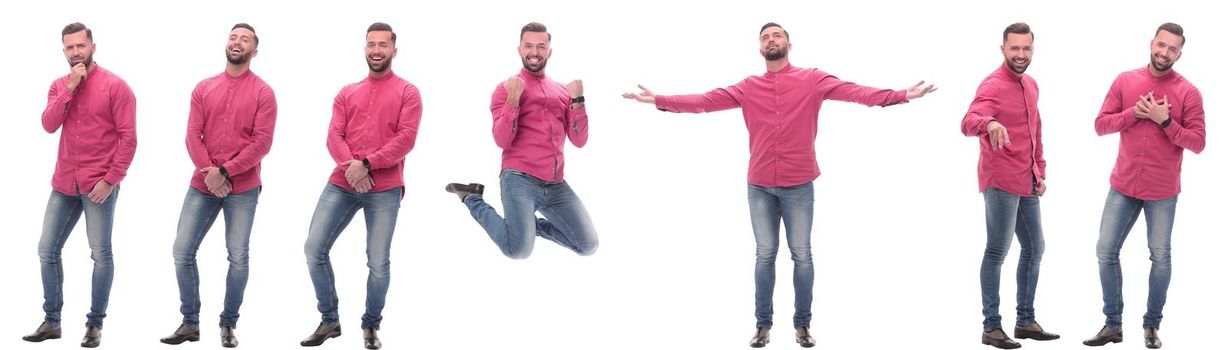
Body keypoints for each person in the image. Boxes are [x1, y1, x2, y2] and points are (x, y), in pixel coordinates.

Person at [623, 22, 935, 348]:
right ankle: (763, 326)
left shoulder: (813, 79)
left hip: (799, 185)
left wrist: (900, 96)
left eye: (777, 35)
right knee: (764, 255)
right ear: (760, 48)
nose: (771, 40)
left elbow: (857, 92)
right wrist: (659, 98)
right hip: (759, 186)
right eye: (765, 37)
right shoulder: (748, 87)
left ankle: (802, 326)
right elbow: (705, 101)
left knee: (802, 255)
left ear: (789, 43)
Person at [1083, 22, 1205, 350]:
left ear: (1180, 53)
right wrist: (1133, 114)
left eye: (1173, 49)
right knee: (1105, 251)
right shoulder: (1126, 80)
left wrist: (1165, 121)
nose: (1165, 52)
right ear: (1152, 43)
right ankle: (1113, 324)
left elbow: (1198, 143)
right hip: (1122, 185)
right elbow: (1099, 125)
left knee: (1160, 256)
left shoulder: (1189, 92)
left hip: (1162, 190)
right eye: (1161, 45)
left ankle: (1151, 326)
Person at [300, 22, 422, 350]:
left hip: (384, 187)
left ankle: (371, 325)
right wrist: (353, 167)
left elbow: (406, 139)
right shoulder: (347, 92)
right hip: (342, 182)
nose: (377, 50)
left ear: (394, 51)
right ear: (365, 48)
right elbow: (333, 136)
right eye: (371, 44)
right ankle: (329, 320)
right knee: (314, 248)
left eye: (383, 45)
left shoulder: (408, 92)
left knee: (378, 260)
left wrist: (367, 164)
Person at [160, 23, 276, 349]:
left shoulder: (264, 93)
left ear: (255, 51)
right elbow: (191, 136)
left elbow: (262, 142)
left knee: (238, 256)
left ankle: (228, 324)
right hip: (202, 183)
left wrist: (225, 172)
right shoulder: (203, 88)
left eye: (245, 40)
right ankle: (190, 323)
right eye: (233, 37)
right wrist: (209, 171)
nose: (237, 42)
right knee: (182, 250)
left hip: (243, 187)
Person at [23, 22, 137, 349]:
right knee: (47, 249)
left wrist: (111, 180)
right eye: (69, 48)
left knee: (100, 254)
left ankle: (94, 325)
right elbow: (48, 124)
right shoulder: (60, 85)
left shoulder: (117, 87)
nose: (76, 53)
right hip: (63, 184)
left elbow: (129, 139)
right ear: (63, 51)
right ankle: (52, 321)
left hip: (99, 184)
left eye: (81, 46)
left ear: (93, 48)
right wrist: (70, 87)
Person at [445, 22, 598, 260]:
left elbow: (579, 141)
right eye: (528, 46)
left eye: (541, 46)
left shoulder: (562, 91)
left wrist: (578, 100)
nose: (534, 52)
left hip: (556, 184)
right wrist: (513, 99)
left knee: (588, 245)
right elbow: (502, 140)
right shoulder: (506, 89)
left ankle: (526, 226)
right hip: (519, 179)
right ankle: (472, 198)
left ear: (549, 51)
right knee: (518, 250)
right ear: (519, 50)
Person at [960, 22, 1060, 349]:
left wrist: (1040, 169)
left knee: (1035, 247)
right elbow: (968, 120)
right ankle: (991, 326)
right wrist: (988, 122)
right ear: (1002, 48)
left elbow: (1036, 130)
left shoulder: (1031, 84)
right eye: (1014, 48)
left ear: (1033, 49)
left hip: (1027, 179)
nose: (1020, 54)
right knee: (997, 250)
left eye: (1026, 48)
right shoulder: (992, 85)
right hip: (1001, 179)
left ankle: (1026, 320)